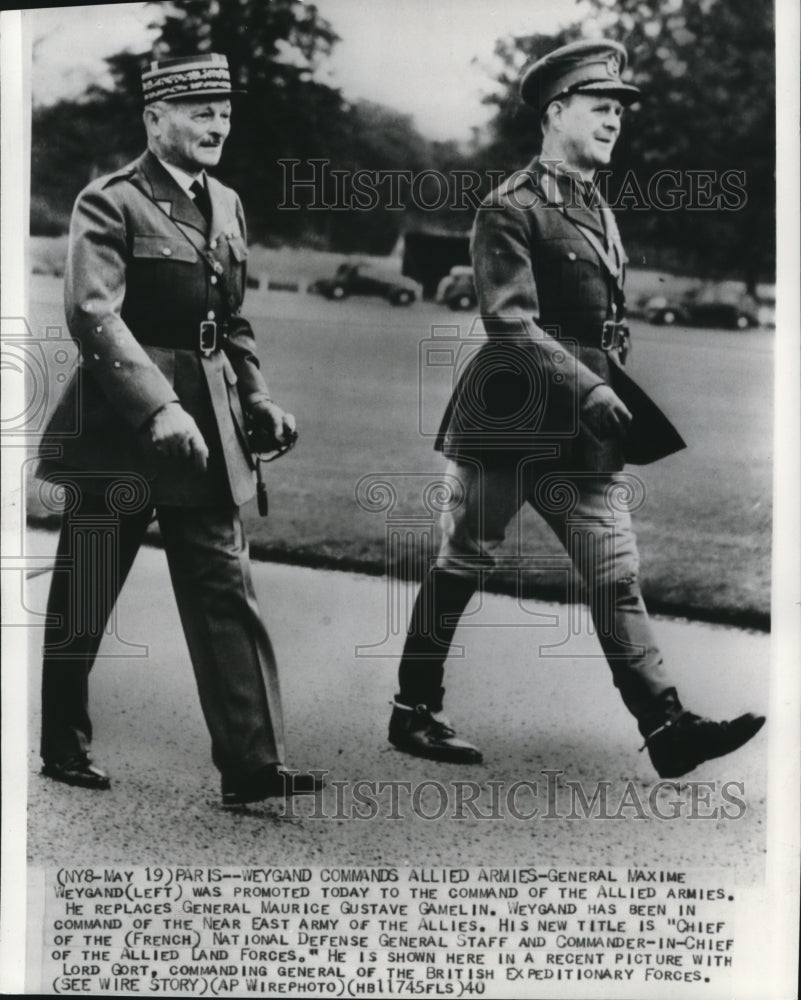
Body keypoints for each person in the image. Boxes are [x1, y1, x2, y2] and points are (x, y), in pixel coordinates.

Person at [388, 40, 765, 778]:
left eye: (620, 111)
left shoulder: (593, 204)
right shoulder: (509, 207)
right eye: (600, 107)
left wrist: (601, 384)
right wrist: (589, 386)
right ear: (555, 111)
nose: (614, 122)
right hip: (510, 408)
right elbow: (509, 321)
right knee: (464, 559)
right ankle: (414, 711)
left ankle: (664, 725)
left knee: (613, 571)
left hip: (586, 421)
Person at [37, 53, 322, 806]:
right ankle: (62, 740)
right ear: (154, 119)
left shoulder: (226, 203)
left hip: (209, 425)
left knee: (224, 585)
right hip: (119, 422)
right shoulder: (110, 200)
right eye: (199, 111)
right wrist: (158, 404)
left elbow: (231, 321)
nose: (216, 125)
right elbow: (92, 312)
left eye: (223, 112)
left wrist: (257, 398)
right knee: (88, 588)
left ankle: (252, 763)